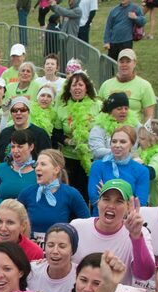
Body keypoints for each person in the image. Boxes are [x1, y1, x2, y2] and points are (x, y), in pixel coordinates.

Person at [72, 179, 155, 286]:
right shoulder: (77, 227)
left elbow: (144, 275)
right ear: (98, 203)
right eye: (106, 199)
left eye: (119, 201)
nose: (111, 206)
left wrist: (136, 237)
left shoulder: (139, 232)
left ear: (128, 207)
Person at [18, 149, 90, 245]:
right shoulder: (27, 193)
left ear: (56, 169)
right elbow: (16, 221)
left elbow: (87, 224)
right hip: (31, 252)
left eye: (43, 164)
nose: (37, 168)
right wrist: (25, 240)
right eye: (37, 164)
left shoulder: (71, 194)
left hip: (58, 253)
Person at [55, 71, 101, 199]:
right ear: (69, 89)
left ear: (86, 88)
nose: (77, 88)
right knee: (69, 192)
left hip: (90, 157)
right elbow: (56, 133)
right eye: (74, 85)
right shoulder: (62, 108)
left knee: (88, 193)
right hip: (69, 158)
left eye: (80, 85)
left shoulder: (97, 106)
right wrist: (68, 141)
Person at [87, 126, 150, 209]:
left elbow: (140, 203)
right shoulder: (98, 166)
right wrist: (126, 199)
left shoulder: (142, 171)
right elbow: (93, 198)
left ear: (132, 144)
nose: (117, 145)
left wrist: (105, 194)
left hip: (127, 219)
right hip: (100, 216)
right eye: (114, 141)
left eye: (123, 142)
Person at [27, 223, 80, 292]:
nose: (55, 251)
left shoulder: (80, 277)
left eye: (62, 246)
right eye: (50, 245)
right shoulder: (31, 271)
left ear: (72, 250)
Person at [98, 49, 156, 121]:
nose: (124, 65)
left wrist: (144, 131)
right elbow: (98, 110)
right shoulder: (106, 84)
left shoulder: (145, 86)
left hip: (133, 130)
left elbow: (149, 116)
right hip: (108, 129)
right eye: (121, 62)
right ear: (117, 63)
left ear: (134, 63)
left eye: (128, 61)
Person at [0, 97, 52, 165]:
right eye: (15, 110)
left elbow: (48, 160)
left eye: (22, 110)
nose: (18, 113)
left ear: (28, 112)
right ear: (11, 113)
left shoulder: (41, 134)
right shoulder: (4, 133)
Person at [89, 92, 139, 162]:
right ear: (110, 111)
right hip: (106, 166)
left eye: (126, 108)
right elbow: (96, 151)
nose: (123, 111)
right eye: (119, 109)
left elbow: (146, 139)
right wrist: (121, 151)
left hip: (130, 167)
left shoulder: (135, 124)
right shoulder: (99, 127)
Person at [0, 130, 38, 206]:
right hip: (2, 215)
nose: (15, 151)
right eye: (13, 146)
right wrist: (8, 204)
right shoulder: (1, 168)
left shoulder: (39, 171)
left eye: (20, 146)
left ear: (31, 147)